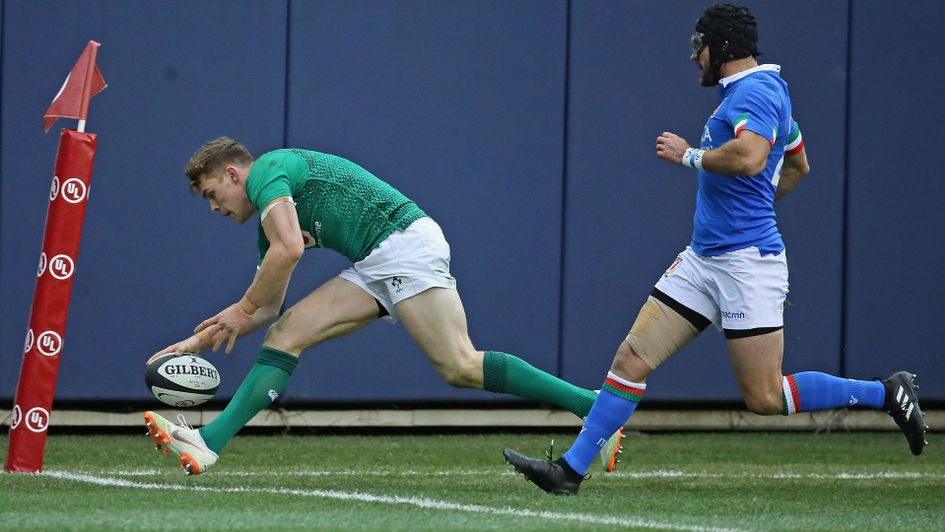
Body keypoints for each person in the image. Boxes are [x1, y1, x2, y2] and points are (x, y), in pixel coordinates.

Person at [503, 3, 928, 496]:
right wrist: (750, 202)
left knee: (764, 396)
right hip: (703, 260)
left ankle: (885, 392)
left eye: (697, 47)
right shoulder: (755, 93)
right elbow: (796, 166)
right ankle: (569, 473)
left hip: (747, 265)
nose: (693, 58)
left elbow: (750, 158)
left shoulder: (759, 90)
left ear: (722, 47)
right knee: (630, 360)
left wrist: (689, 155)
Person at [143, 137, 624, 475]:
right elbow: (264, 308)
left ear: (233, 173)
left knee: (459, 365)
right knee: (285, 334)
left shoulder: (267, 171)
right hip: (377, 260)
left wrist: (240, 307)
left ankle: (598, 412)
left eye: (212, 194)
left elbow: (287, 252)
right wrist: (195, 342)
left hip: (403, 245)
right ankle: (208, 445)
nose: (213, 207)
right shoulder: (268, 224)